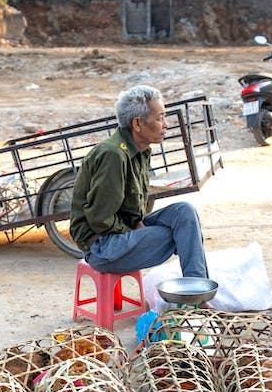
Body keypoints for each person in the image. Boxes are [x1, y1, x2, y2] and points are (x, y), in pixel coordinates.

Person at [69, 85, 209, 282]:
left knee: (184, 213)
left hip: (124, 230)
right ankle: (196, 291)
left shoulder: (140, 151)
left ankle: (197, 288)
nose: (165, 124)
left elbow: (131, 207)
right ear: (137, 123)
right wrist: (136, 230)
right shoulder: (114, 155)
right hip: (102, 246)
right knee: (179, 234)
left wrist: (137, 224)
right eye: (159, 118)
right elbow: (100, 218)